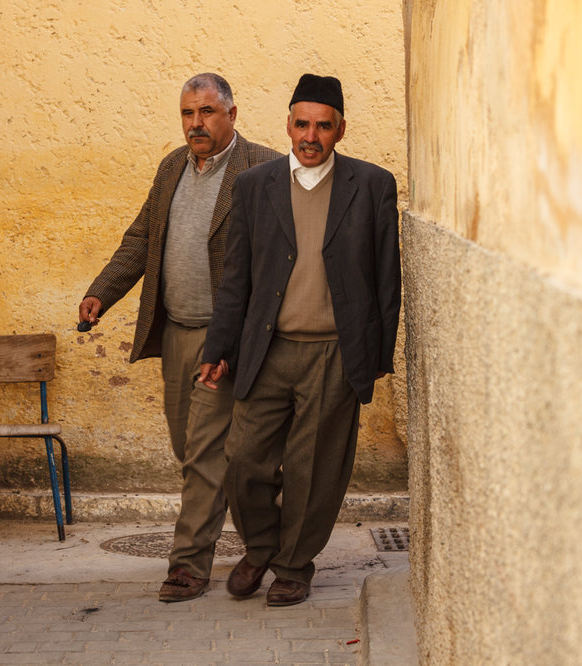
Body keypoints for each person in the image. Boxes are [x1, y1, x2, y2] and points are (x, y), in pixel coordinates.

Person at [199, 73, 401, 606]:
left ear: (340, 130)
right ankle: (262, 547)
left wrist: (375, 358)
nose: (311, 137)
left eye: (323, 127)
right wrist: (217, 349)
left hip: (335, 353)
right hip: (266, 349)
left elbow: (387, 278)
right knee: (243, 459)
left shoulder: (373, 185)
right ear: (288, 124)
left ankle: (294, 565)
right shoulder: (255, 185)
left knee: (316, 469)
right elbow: (235, 277)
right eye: (302, 124)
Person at [79, 73, 281, 602]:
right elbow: (141, 237)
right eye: (189, 113)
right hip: (177, 333)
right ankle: (276, 541)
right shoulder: (172, 166)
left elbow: (280, 256)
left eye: (208, 112)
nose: (197, 123)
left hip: (228, 339)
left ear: (231, 115)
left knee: (205, 456)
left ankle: (189, 565)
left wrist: (247, 335)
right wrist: (102, 292)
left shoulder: (261, 167)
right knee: (191, 449)